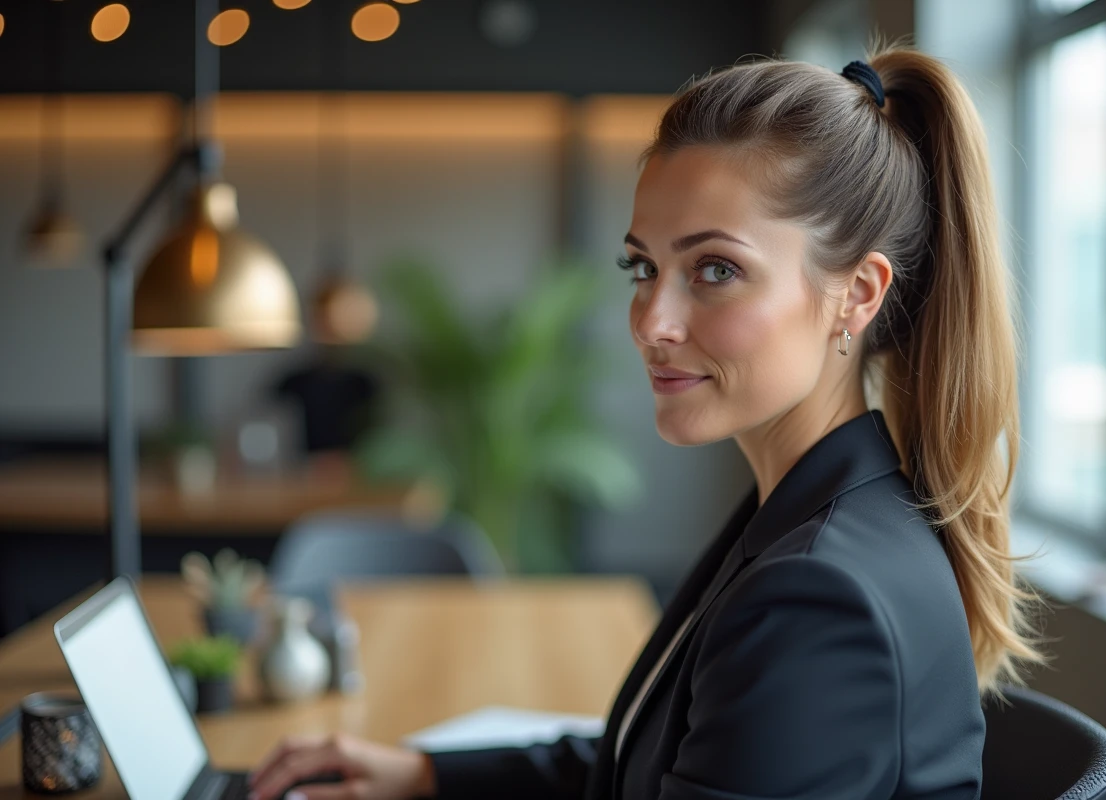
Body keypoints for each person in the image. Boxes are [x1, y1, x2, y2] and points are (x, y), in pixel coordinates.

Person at [247, 43, 1044, 800]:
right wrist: (426, 776)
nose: (651, 320)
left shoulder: (816, 591)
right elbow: (654, 761)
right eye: (644, 267)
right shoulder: (814, 515)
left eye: (716, 270)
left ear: (858, 294)